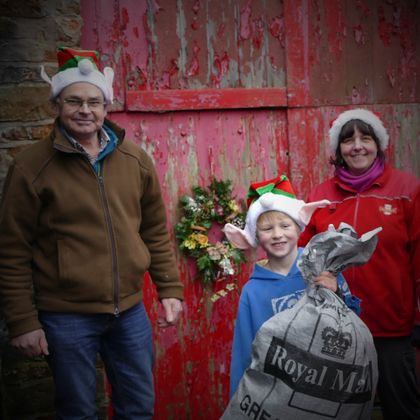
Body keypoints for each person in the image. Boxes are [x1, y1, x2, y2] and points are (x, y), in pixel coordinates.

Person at [0, 47, 184, 418]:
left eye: (94, 102)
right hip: (66, 318)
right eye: (74, 101)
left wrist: (169, 289)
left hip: (130, 313)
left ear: (106, 108)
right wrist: (22, 321)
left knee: (137, 408)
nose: (85, 110)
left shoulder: (134, 159)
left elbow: (153, 230)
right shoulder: (31, 167)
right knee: (78, 412)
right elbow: (11, 249)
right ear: (57, 105)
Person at [298, 108, 420, 420]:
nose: (357, 146)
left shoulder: (407, 191)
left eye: (366, 138)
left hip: (393, 326)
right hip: (334, 329)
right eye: (348, 140)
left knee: (401, 408)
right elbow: (302, 253)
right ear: (337, 150)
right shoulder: (321, 196)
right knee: (338, 411)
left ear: (378, 144)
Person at [223, 175, 361, 397]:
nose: (277, 234)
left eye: (285, 225)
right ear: (256, 236)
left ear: (299, 228)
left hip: (327, 385)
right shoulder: (253, 292)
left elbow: (353, 321)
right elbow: (244, 352)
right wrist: (239, 401)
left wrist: (338, 295)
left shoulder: (323, 268)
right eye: (267, 229)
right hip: (278, 393)